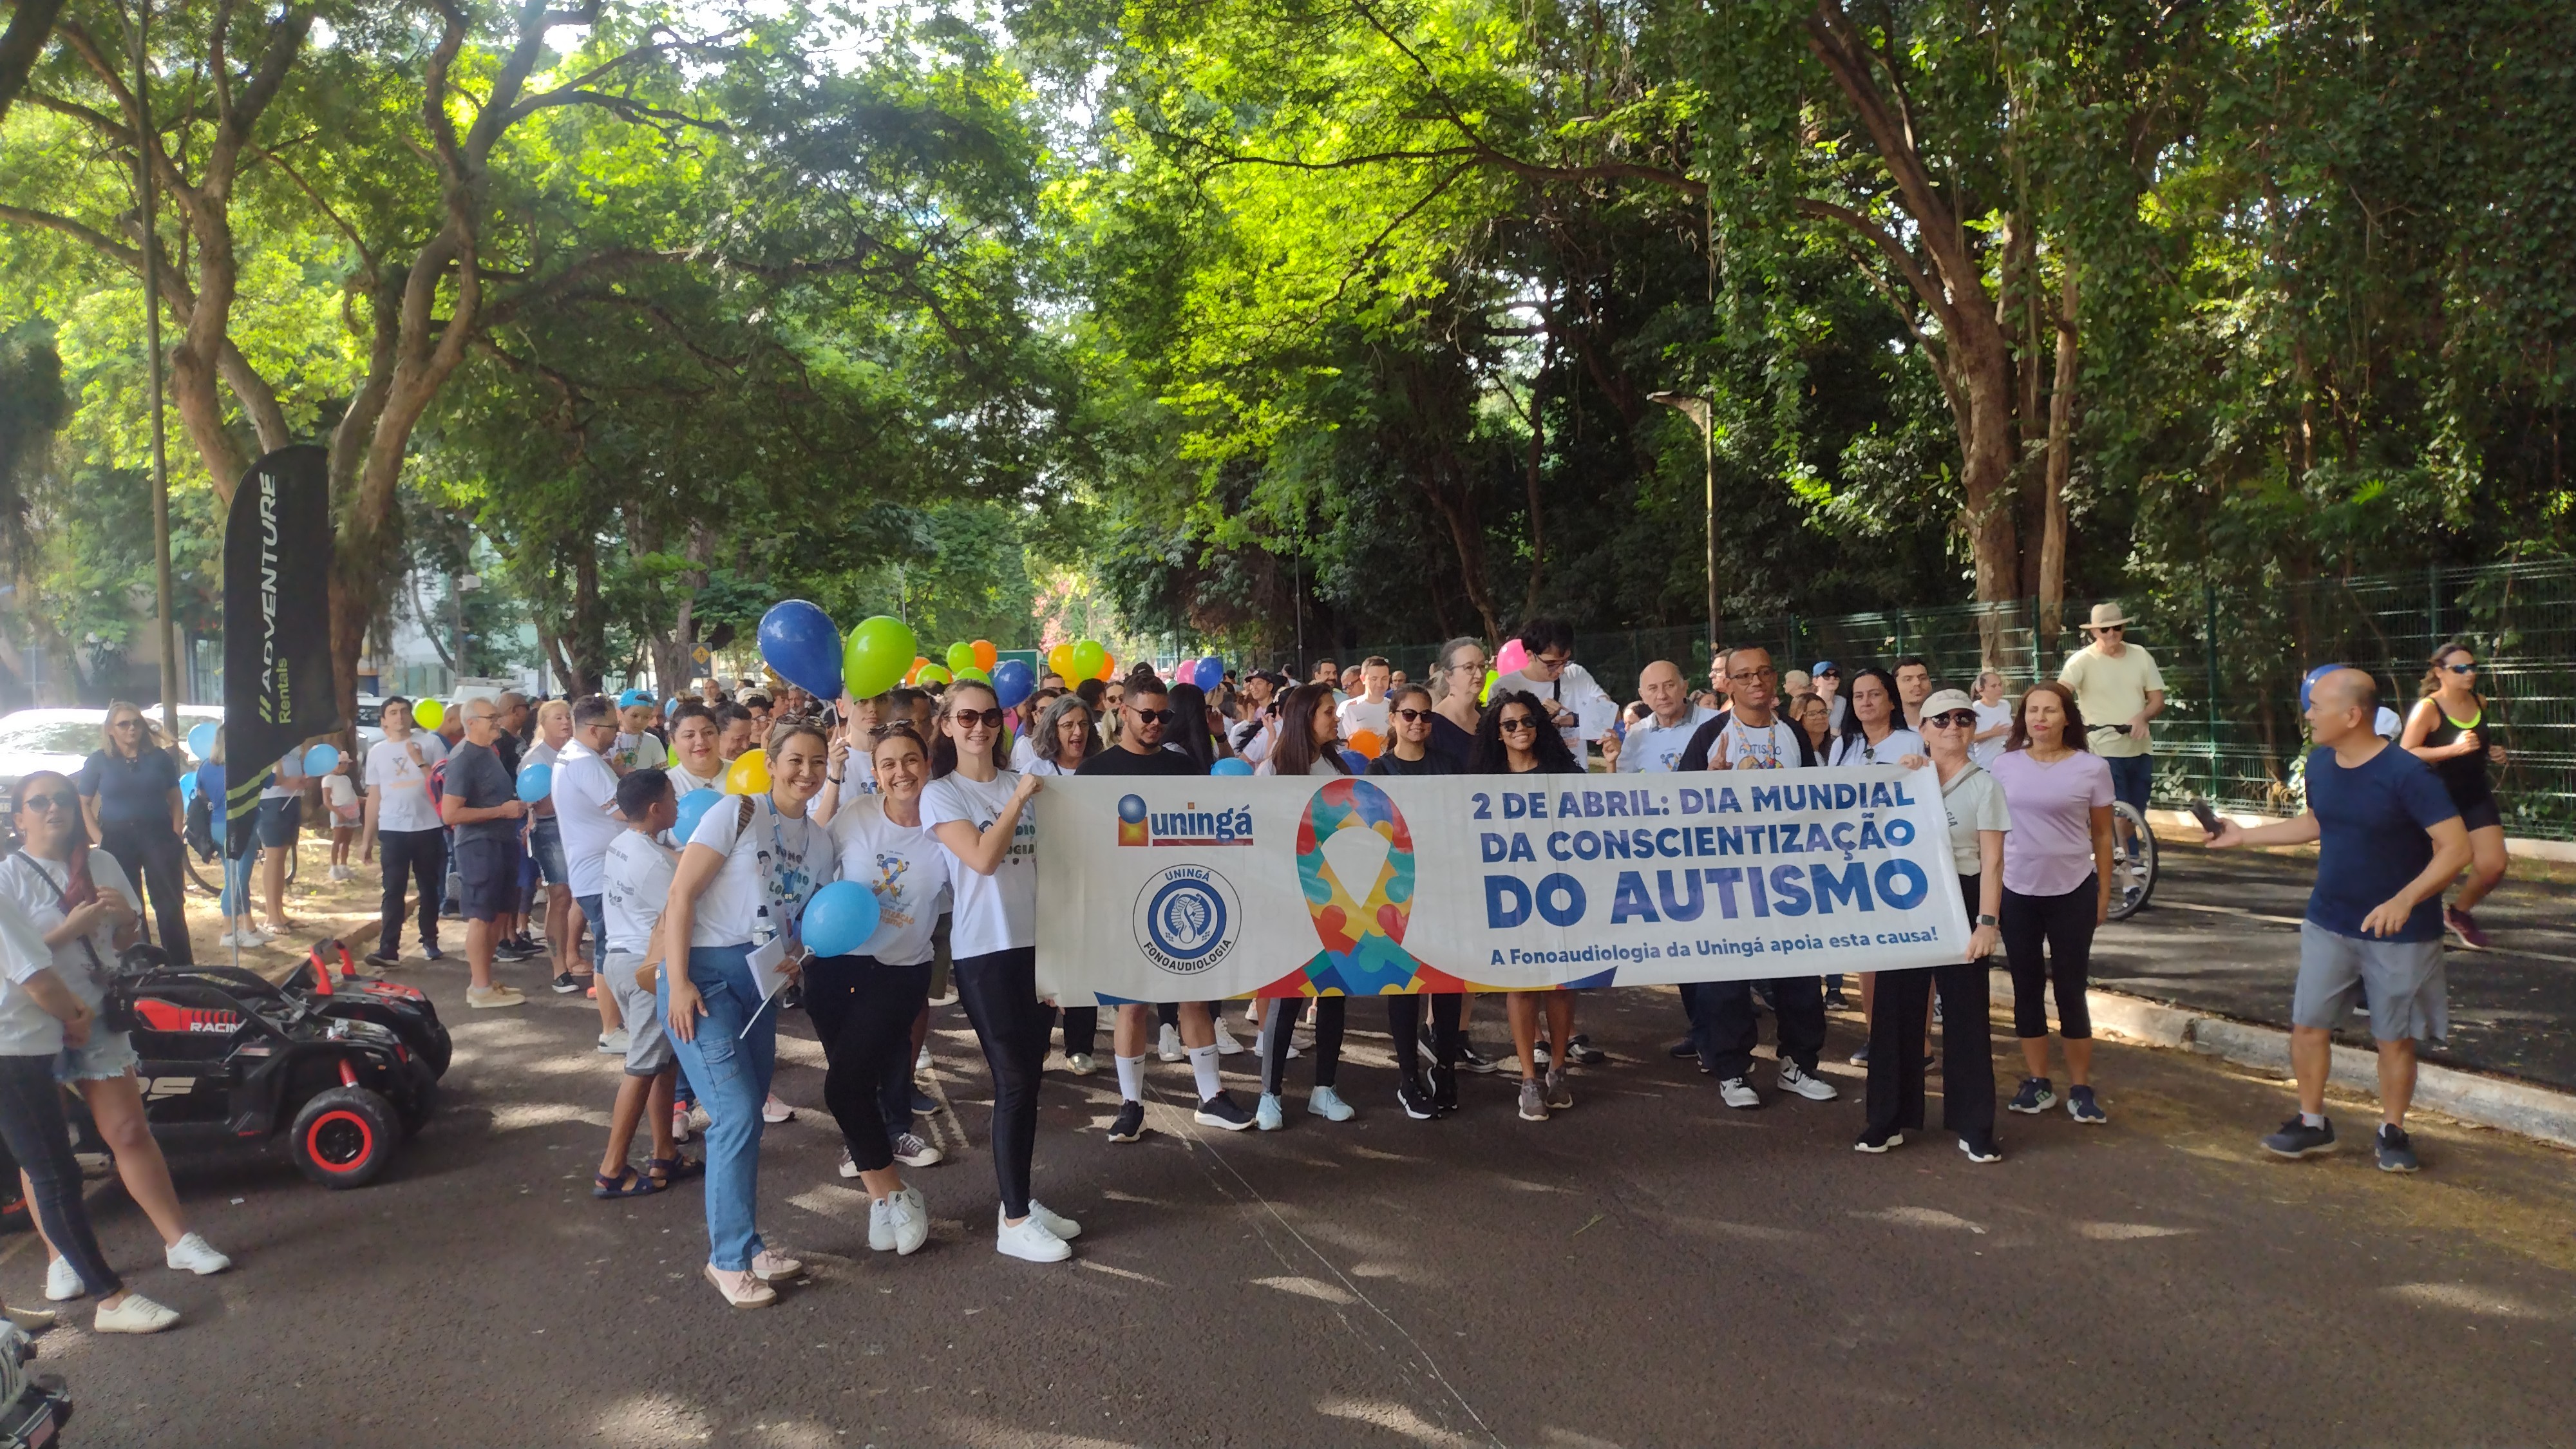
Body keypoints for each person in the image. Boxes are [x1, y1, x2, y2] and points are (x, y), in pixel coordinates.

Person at [2221, 668, 2469, 1173]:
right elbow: (2316, 822)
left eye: (2316, 707)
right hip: (2329, 920)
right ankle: (2312, 1123)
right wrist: (2242, 835)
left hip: (2401, 932)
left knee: (2393, 1037)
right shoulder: (2320, 763)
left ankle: (2392, 1131)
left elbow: (2456, 848)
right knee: (2308, 1024)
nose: (2308, 716)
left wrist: (2405, 900)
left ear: (2353, 715)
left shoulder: (2407, 774)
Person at [4, 772, 234, 1296]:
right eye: (39, 803)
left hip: (99, 1012)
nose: (53, 809)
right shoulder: (8, 878)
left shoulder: (102, 861)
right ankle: (61, 1257)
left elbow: (126, 939)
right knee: (44, 1152)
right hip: (34, 1023)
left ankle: (178, 1239)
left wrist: (127, 918)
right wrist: (71, 928)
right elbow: (15, 959)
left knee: (129, 1130)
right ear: (19, 818)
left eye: (63, 799)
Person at [659, 721, 829, 1305]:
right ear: (771, 762)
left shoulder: (820, 841)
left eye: (817, 761)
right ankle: (727, 1260)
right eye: (795, 760)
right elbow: (681, 894)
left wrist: (797, 957)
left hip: (758, 984)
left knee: (750, 1115)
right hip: (701, 982)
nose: (806, 772)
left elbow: (802, 919)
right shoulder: (737, 812)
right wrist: (678, 982)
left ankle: (749, 1244)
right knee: (733, 1114)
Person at [920, 681, 1083, 1262]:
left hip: (1038, 948)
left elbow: (1057, 867)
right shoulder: (941, 793)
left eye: (990, 716)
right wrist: (1017, 801)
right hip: (985, 952)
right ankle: (1012, 1220)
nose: (979, 727)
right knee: (1013, 1082)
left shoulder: (1024, 783)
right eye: (966, 717)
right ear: (946, 724)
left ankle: (1021, 1199)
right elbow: (984, 859)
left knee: (1031, 1081)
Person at [0, 889, 180, 1333]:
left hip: (17, 1048)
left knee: (51, 1174)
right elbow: (35, 977)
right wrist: (75, 1013)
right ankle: (111, 1299)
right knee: (55, 1176)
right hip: (13, 1052)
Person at [1083, 677, 1256, 1137]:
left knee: (1193, 998)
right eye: (1147, 715)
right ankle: (1131, 1105)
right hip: (1123, 904)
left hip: (1180, 895)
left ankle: (1211, 1096)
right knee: (1132, 1005)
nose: (1156, 723)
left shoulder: (1183, 769)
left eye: (1164, 716)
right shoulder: (1094, 773)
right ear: (1123, 712)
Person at [1672, 650, 1837, 1111]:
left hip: (1788, 876)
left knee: (1799, 975)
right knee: (1726, 980)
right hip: (1728, 878)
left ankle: (1798, 1064)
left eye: (1763, 673)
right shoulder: (1710, 735)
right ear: (1728, 684)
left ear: (1775, 678)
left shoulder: (1794, 734)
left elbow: (1815, 800)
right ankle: (1732, 1071)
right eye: (1743, 676)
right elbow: (1678, 808)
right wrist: (1708, 784)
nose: (1756, 682)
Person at [811, 724, 947, 1255]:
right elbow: (810, 856)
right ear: (875, 773)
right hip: (834, 966)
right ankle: (881, 1199)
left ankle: (898, 1193)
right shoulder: (856, 814)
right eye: (888, 764)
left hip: (900, 970)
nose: (901, 772)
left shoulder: (945, 825)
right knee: (850, 1086)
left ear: (927, 764)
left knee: (844, 1086)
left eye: (911, 760)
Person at [1864, 692, 2005, 1159]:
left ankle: (1974, 1125)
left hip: (1963, 899)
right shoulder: (1906, 778)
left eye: (1963, 718)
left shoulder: (1985, 785)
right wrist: (1897, 775)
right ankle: (1887, 1120)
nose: (1953, 726)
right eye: (1941, 719)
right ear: (1922, 729)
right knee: (1894, 1009)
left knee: (1966, 1014)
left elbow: (1993, 861)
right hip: (1908, 898)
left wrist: (1987, 923)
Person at [1989, 681, 2115, 1125]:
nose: (2040, 718)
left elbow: (2103, 835)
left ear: (2067, 718)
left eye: (2050, 710)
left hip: (2073, 891)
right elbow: (1992, 834)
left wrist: (2103, 894)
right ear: (2023, 719)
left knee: (2070, 989)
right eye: (2032, 711)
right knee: (2026, 988)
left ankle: (2081, 1087)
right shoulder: (2003, 765)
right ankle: (2037, 1081)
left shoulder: (2092, 768)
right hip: (2017, 892)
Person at [1245, 682, 1364, 1129]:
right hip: (1291, 900)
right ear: (1305, 718)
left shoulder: (1337, 766)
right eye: (1328, 711)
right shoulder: (1272, 771)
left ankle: (1324, 1089)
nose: (1336, 718)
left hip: (1338, 899)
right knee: (1287, 997)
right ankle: (1270, 1095)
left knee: (1333, 994)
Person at [1469, 690, 1590, 1121]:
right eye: (1510, 724)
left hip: (1563, 891)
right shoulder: (1482, 783)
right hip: (1510, 894)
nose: (1520, 729)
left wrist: (1611, 766)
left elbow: (1599, 822)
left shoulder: (1564, 774)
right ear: (1497, 733)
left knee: (1562, 983)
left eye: (1527, 721)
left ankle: (1558, 1069)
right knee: (1521, 984)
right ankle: (1528, 1079)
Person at [591, 768, 695, 1199]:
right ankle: (611, 1170)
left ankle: (664, 1152)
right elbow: (685, 905)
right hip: (646, 969)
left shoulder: (624, 844)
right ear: (656, 809)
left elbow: (670, 861)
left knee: (662, 1062)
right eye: (673, 798)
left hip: (620, 961)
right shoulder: (653, 863)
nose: (678, 805)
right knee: (642, 1068)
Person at [1363, 685, 1466, 1115]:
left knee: (1447, 983)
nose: (1418, 722)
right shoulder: (1378, 770)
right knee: (1404, 986)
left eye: (1426, 716)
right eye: (1409, 715)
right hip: (1398, 890)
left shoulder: (1449, 765)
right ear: (1393, 719)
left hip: (1444, 886)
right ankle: (1408, 1078)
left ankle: (1445, 1067)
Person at [2400, 642, 2508, 948]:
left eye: (2472, 667)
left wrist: (2493, 751)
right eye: (2460, 669)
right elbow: (2405, 753)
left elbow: (2478, 744)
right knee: (2442, 867)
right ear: (2440, 672)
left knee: (2493, 865)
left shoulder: (2479, 702)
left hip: (2475, 793)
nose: (2469, 673)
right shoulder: (2428, 708)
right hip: (2438, 796)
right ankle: (2412, 919)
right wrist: (2453, 750)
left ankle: (2458, 914)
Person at [78, 703, 191, 963]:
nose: (132, 728)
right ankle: (141, 965)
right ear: (110, 730)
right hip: (117, 839)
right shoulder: (98, 761)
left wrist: (176, 833)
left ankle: (182, 966)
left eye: (136, 722)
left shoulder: (160, 758)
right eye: (124, 724)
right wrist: (100, 839)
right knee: (129, 908)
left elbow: (175, 798)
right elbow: (82, 803)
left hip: (159, 836)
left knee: (170, 905)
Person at [440, 698, 531, 1009]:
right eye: (491, 717)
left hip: (501, 842)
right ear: (471, 723)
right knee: (481, 916)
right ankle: (479, 988)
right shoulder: (463, 758)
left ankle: (485, 982)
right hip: (479, 846)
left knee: (498, 913)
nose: (498, 722)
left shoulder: (487, 751)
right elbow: (450, 814)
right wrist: (502, 812)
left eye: (497, 716)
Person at [551, 697, 627, 1040]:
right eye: (614, 727)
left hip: (597, 869)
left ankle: (618, 1025)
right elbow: (623, 810)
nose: (618, 733)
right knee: (610, 951)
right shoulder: (585, 762)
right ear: (594, 730)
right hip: (601, 872)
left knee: (610, 947)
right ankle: (612, 1030)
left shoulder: (574, 755)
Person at [2058, 601, 2163, 828]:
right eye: (2105, 629)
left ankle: (2124, 850)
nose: (2112, 633)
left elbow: (2157, 700)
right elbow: (2059, 696)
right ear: (2094, 632)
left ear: (2124, 628)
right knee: (2118, 812)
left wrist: (2142, 717)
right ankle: (2122, 851)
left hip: (2140, 748)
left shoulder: (2141, 655)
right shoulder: (2081, 661)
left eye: (2117, 628)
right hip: (2102, 749)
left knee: (2136, 814)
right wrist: (2073, 726)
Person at [361, 698, 448, 969]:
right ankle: (388, 949)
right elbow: (374, 796)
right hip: (393, 829)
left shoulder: (431, 743)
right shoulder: (377, 752)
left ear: (411, 716)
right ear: (384, 721)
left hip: (428, 826)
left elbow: (444, 783)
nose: (399, 717)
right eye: (393, 713)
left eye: (404, 712)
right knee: (393, 889)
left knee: (429, 887)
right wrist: (366, 838)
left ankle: (430, 938)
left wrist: (420, 761)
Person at [522, 701, 582, 1001]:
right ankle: (559, 969)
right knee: (559, 897)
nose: (566, 722)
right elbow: (541, 805)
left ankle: (573, 955)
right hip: (551, 830)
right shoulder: (536, 758)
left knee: (578, 895)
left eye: (568, 717)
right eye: (558, 718)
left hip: (579, 827)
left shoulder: (578, 751)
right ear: (543, 723)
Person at [1491, 618, 1613, 760]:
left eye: (1565, 662)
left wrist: (1572, 720)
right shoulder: (1505, 686)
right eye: (1551, 664)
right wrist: (1539, 717)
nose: (1561, 670)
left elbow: (1612, 715)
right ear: (1530, 655)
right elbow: (1494, 738)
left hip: (1576, 769)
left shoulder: (1576, 674)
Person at [1603, 661, 1716, 773]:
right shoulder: (1637, 733)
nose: (1662, 695)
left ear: (1684, 688)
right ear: (1643, 695)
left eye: (1669, 686)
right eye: (1653, 688)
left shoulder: (1716, 723)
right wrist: (1611, 763)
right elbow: (1620, 782)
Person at [1827, 667, 1924, 768]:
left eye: (1875, 695)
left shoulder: (1914, 742)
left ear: (1892, 702)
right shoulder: (1842, 744)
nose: (1866, 703)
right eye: (1859, 696)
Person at [1425, 638, 1485, 773]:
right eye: (1469, 668)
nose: (1479, 675)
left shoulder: (1487, 719)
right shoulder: (1433, 726)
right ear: (1449, 676)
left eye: (1482, 666)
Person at [665, 702, 726, 796]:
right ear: (673, 741)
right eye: (689, 735)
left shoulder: (742, 772)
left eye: (708, 733)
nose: (700, 741)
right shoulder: (666, 787)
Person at [323, 751, 362, 882]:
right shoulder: (328, 779)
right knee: (337, 840)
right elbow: (327, 801)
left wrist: (363, 800)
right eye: (341, 763)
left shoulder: (346, 779)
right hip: (339, 811)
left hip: (352, 810)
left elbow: (352, 795)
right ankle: (334, 867)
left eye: (346, 763)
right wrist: (338, 813)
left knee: (347, 841)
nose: (344, 766)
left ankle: (344, 866)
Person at [1338, 656, 1393, 743]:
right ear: (1363, 679)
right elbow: (1339, 743)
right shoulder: (1347, 708)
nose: (1379, 684)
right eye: (1374, 679)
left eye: (1384, 679)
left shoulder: (1395, 708)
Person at [1970, 669, 2014, 766]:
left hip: (2007, 764)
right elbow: (1969, 739)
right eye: (1993, 686)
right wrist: (1992, 733)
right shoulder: (1974, 709)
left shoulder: (2006, 705)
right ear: (1981, 689)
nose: (1999, 689)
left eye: (2000, 684)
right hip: (1986, 765)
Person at [1892, 656, 1935, 732]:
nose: (1917, 683)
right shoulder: (1887, 728)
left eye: (1923, 678)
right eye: (1908, 679)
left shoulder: (1947, 723)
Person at [1788, 692, 1833, 757]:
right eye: (1812, 714)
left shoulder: (1837, 747)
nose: (1820, 717)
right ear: (1798, 718)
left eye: (1823, 712)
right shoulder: (1791, 750)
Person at [1810, 660, 1848, 732]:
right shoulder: (1809, 703)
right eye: (1826, 675)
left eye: (1836, 675)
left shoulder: (1843, 702)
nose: (1832, 678)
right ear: (1816, 681)